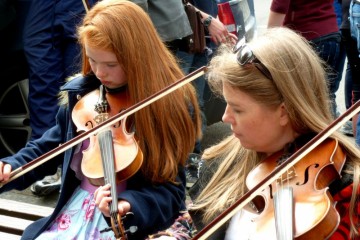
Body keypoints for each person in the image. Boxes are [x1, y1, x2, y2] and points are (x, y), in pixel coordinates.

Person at [0, 0, 202, 239]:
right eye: (92, 60)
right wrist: (12, 165)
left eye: (111, 64)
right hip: (77, 212)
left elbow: (171, 193)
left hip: (133, 224)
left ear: (139, 57)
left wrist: (129, 205)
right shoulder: (84, 97)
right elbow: (48, 146)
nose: (100, 73)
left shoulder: (164, 105)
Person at [147, 27, 360, 239]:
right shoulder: (227, 154)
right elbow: (194, 221)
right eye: (227, 105)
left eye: (238, 109)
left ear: (284, 111)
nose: (225, 117)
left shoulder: (346, 191)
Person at [268, 0, 343, 119]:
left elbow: (279, 6)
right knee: (326, 96)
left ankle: (318, 135)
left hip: (306, 37)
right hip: (331, 34)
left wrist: (268, 44)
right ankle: (329, 134)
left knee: (304, 99)